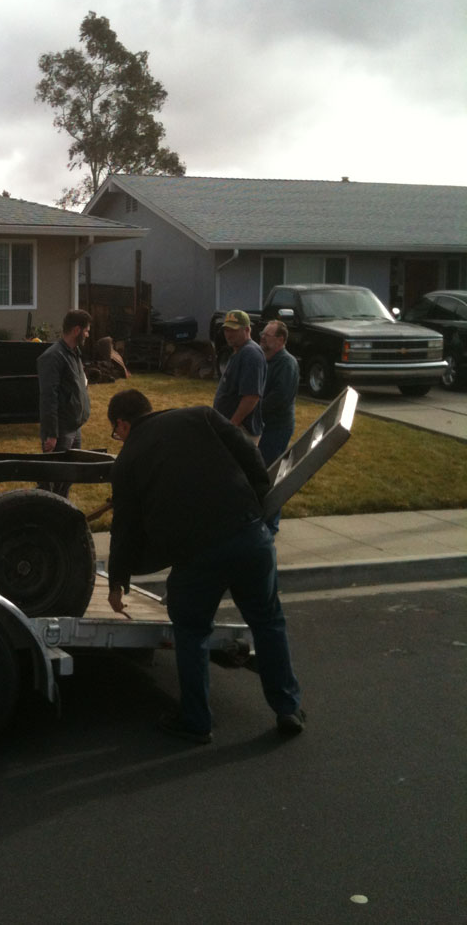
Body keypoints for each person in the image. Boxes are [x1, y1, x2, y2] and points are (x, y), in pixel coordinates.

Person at [106, 388, 304, 744]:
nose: (118, 438)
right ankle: (287, 707)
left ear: (122, 423)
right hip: (247, 536)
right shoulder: (200, 416)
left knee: (192, 633)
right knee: (268, 621)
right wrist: (258, 500)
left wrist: (117, 581)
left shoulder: (127, 461)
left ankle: (196, 721)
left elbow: (126, 527)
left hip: (196, 557)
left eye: (115, 431)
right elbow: (249, 453)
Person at [36, 308, 92, 497]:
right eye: (86, 330)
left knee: (69, 473)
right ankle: (45, 509)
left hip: (74, 426)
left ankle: (62, 506)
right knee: (52, 475)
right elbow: (47, 397)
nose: (88, 334)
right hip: (60, 429)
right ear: (76, 330)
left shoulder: (74, 353)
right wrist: (51, 433)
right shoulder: (53, 357)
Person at [258, 320, 300, 533]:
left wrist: (255, 409)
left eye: (268, 335)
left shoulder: (286, 363)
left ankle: (271, 525)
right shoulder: (265, 359)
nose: (263, 337)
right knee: (260, 472)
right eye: (262, 334)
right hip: (264, 425)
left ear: (281, 340)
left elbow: (280, 398)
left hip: (277, 427)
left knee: (271, 474)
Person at [213, 309, 266, 440]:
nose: (228, 335)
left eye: (233, 330)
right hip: (231, 427)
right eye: (226, 330)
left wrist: (233, 424)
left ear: (247, 330)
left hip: (241, 430)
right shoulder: (239, 351)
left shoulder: (250, 354)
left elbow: (251, 396)